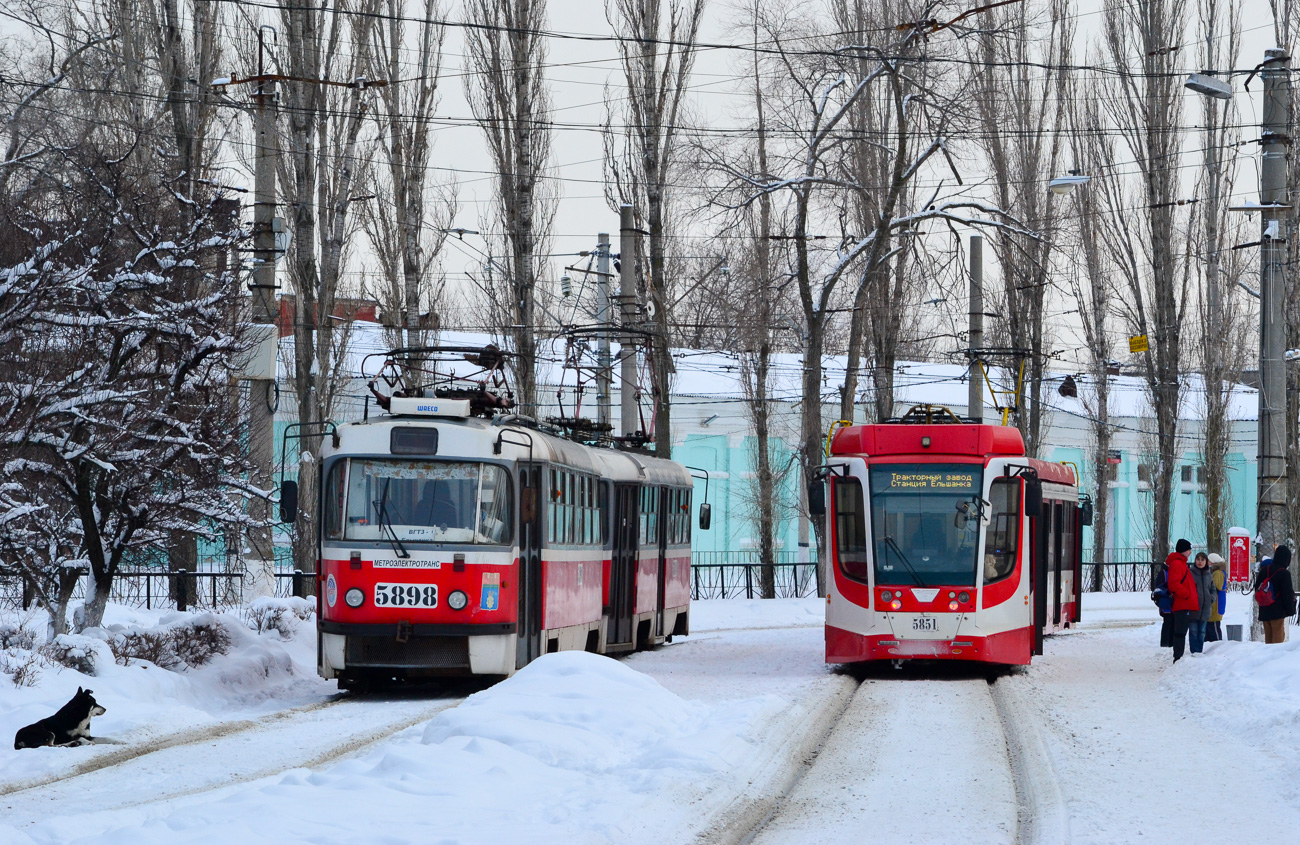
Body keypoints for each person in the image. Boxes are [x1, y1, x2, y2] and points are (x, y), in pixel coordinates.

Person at [1256, 544, 1297, 644]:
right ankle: (1275, 659)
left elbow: (1257, 587)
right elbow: (1287, 594)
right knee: (1278, 640)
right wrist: (1291, 610)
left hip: (1264, 609)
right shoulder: (1284, 573)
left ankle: (1268, 658)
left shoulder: (1265, 570)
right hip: (1278, 611)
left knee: (1268, 639)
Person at [1166, 538, 1199, 662]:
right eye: (1189, 549)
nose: (1190, 552)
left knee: (1181, 631)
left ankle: (1178, 656)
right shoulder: (1177, 564)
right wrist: (1186, 594)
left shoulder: (1180, 563)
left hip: (1184, 602)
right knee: (1180, 632)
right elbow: (1174, 584)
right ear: (1183, 550)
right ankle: (1178, 657)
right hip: (1182, 603)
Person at [1188, 552, 1215, 655]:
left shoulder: (1209, 574)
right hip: (1194, 608)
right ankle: (1194, 651)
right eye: (1198, 559)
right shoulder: (1191, 573)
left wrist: (1211, 598)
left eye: (1202, 560)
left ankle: (1200, 650)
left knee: (1202, 632)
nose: (1200, 562)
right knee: (1193, 631)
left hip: (1205, 608)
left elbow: (1213, 589)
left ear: (1206, 562)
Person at [1206, 553, 1228, 642]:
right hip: (1216, 600)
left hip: (1216, 602)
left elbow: (1217, 586)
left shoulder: (1218, 572)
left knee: (1214, 625)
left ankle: (1217, 644)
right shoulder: (1216, 572)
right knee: (1211, 625)